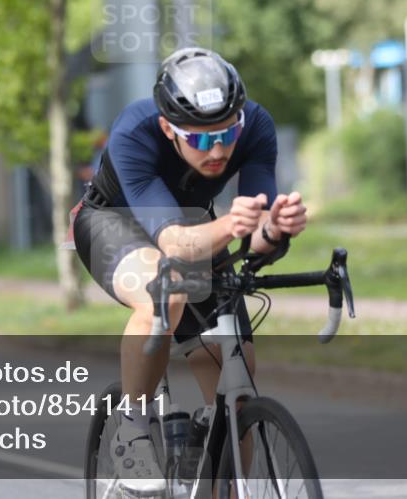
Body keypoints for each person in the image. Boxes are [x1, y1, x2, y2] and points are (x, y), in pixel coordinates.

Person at [72, 48, 307, 494]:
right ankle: (133, 426)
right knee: (167, 291)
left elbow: (252, 239)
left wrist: (275, 229)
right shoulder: (133, 132)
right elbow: (175, 245)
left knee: (236, 381)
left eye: (227, 134)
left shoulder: (255, 126)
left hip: (198, 224)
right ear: (168, 128)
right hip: (114, 221)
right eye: (200, 139)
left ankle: (220, 477)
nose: (217, 150)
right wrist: (233, 226)